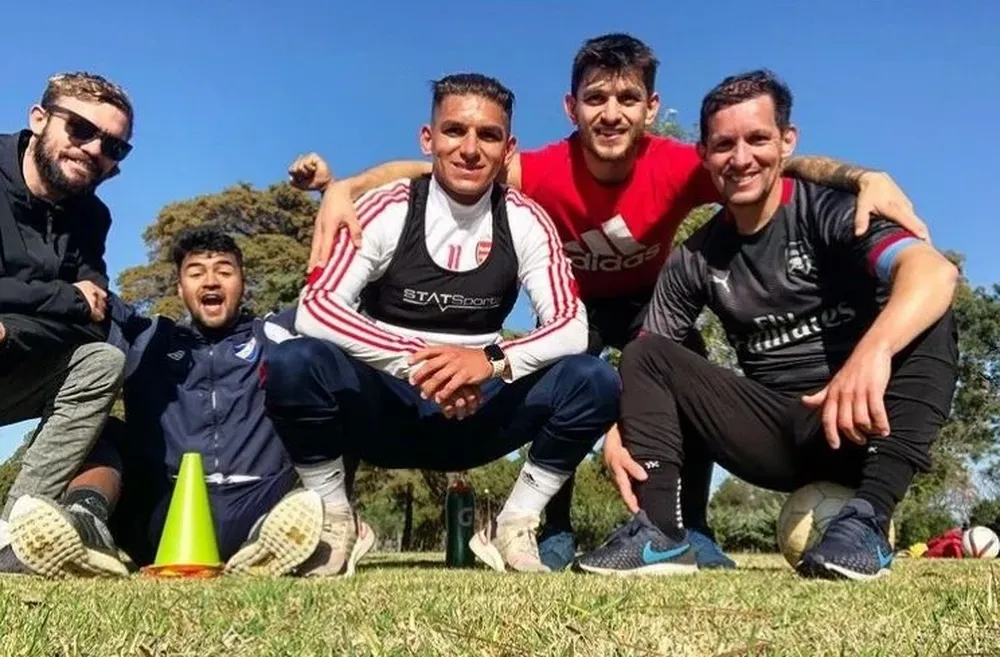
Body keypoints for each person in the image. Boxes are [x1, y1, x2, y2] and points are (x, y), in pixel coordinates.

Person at [286, 33, 928, 571]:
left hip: (647, 301)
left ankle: (688, 525)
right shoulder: (535, 168)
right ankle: (549, 529)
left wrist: (861, 176)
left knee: (683, 367)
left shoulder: (682, 164)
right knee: (571, 377)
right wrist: (348, 187)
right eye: (596, 98)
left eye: (627, 98)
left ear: (651, 107)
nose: (611, 112)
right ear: (572, 106)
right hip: (576, 307)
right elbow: (445, 164)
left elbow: (772, 162)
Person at [574, 69, 958, 581]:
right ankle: (661, 534)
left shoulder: (831, 212)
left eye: (757, 139)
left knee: (930, 311)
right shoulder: (695, 257)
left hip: (866, 423)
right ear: (705, 155)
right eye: (723, 144)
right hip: (779, 436)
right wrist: (622, 426)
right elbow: (649, 361)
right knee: (645, 353)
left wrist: (873, 352)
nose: (741, 158)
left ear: (786, 141)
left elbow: (935, 271)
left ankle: (868, 521)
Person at [258, 72, 619, 576]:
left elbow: (570, 326)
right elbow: (317, 307)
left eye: (488, 136)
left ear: (507, 148)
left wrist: (488, 363)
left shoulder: (527, 219)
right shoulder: (387, 208)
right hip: (389, 404)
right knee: (294, 361)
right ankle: (334, 521)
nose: (470, 149)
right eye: (454, 131)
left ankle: (513, 525)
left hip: (478, 412)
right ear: (428, 139)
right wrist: (423, 366)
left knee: (595, 379)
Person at [4, 227, 374, 578]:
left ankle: (310, 531)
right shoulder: (146, 337)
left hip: (262, 501)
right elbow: (77, 291)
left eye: (224, 271)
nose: (211, 281)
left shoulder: (279, 332)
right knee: (101, 427)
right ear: (181, 288)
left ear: (242, 282)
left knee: (328, 395)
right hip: (163, 516)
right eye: (196, 273)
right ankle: (85, 521)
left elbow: (348, 287)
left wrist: (334, 190)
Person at [0, 72, 134, 563]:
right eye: (80, 129)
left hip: (14, 361)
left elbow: (92, 316)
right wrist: (67, 297)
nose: (94, 149)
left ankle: (15, 535)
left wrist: (12, 324)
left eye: (113, 147)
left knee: (101, 360)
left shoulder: (91, 218)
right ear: (39, 120)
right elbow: (78, 301)